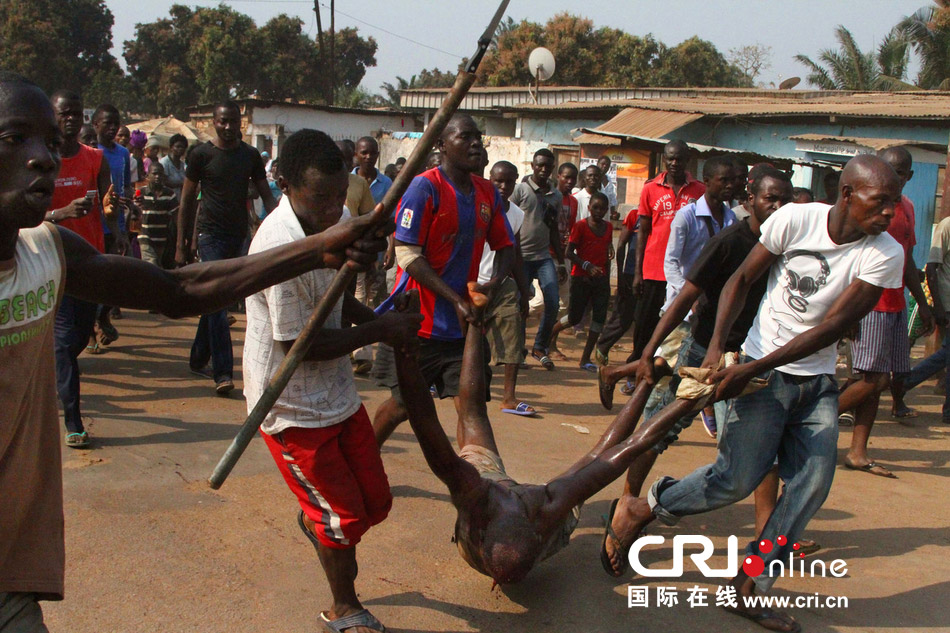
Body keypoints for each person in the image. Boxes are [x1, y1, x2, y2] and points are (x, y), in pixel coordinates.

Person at [0, 71, 388, 630]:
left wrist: (320, 248)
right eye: (17, 139)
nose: (44, 158)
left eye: (49, 141)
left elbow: (181, 291)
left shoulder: (46, 251)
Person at [618, 155, 904, 633]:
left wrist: (753, 366)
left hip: (812, 382)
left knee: (811, 485)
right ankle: (644, 508)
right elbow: (740, 279)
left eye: (894, 203)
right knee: (735, 480)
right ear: (848, 195)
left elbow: (835, 325)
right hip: (761, 375)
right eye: (881, 202)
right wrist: (715, 349)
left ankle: (747, 587)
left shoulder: (885, 252)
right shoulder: (794, 219)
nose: (889, 213)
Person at [243, 129, 419, 633]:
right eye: (319, 198)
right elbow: (302, 346)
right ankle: (344, 609)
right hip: (290, 403)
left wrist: (379, 317)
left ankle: (318, 522)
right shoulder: (277, 244)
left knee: (374, 503)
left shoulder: (338, 217)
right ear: (286, 185)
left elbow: (339, 301)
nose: (331, 209)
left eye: (338, 196)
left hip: (336, 393)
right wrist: (379, 330)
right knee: (342, 520)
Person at [598, 167, 794, 575]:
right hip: (704, 351)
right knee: (656, 431)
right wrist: (649, 350)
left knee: (761, 450)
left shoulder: (786, 243)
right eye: (769, 198)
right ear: (750, 199)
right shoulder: (730, 241)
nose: (777, 207)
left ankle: (766, 538)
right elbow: (686, 295)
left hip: (750, 361)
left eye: (783, 199)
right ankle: (626, 507)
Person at [371, 114, 514, 446]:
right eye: (465, 137)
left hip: (463, 327)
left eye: (478, 137)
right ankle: (365, 459)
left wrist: (493, 285)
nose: (475, 143)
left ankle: (481, 478)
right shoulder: (425, 187)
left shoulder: (487, 193)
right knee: (403, 406)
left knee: (470, 405)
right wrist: (455, 298)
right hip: (418, 323)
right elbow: (407, 254)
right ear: (441, 145)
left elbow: (506, 246)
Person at [837, 147, 934, 478]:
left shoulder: (904, 208)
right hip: (869, 303)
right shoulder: (866, 209)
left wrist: (921, 300)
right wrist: (846, 313)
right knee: (871, 379)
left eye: (901, 174)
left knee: (878, 382)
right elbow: (848, 257)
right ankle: (810, 419)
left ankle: (857, 451)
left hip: (895, 302)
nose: (894, 179)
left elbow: (906, 259)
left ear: (908, 177)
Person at [176, 100, 278, 394]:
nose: (229, 127)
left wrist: (288, 225)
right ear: (214, 123)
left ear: (241, 124)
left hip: (239, 237)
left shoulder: (249, 156)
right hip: (209, 235)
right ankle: (223, 372)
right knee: (219, 304)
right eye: (223, 122)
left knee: (216, 301)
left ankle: (198, 357)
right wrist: (182, 245)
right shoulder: (201, 155)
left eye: (234, 122)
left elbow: (266, 198)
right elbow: (186, 201)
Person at [46, 89, 116, 446]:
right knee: (62, 343)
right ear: (53, 116)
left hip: (88, 261)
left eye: (76, 113)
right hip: (49, 259)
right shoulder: (41, 159)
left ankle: (53, 374)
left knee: (73, 340)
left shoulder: (95, 158)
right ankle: (73, 420)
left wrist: (111, 208)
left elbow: (107, 204)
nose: (71, 119)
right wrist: (60, 214)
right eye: (64, 113)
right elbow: (27, 215)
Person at [629, 140, 705, 366]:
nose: (674, 163)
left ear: (687, 160)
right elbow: (642, 232)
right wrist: (637, 272)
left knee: (677, 325)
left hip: (684, 273)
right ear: (664, 159)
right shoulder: (650, 188)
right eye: (670, 158)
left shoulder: (699, 191)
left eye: (679, 159)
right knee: (644, 324)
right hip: (653, 269)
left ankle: (663, 370)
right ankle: (636, 369)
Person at [480, 161, 534, 415]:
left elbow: (516, 253)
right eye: (498, 181)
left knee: (513, 331)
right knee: (467, 336)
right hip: (471, 281)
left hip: (501, 283)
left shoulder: (516, 214)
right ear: (489, 179)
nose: (503, 187)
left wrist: (525, 290)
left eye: (509, 182)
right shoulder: (476, 207)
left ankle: (509, 397)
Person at [892, 209, 950, 424]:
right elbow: (933, 268)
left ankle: (904, 382)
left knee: (946, 353)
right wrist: (938, 305)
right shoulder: (946, 226)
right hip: (947, 299)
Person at [510, 148, 566, 370]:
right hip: (521, 257)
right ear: (532, 166)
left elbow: (553, 230)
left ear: (552, 168)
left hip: (543, 257)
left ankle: (540, 346)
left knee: (552, 300)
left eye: (547, 166)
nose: (543, 169)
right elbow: (510, 220)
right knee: (521, 305)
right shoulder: (521, 190)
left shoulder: (556, 195)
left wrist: (561, 261)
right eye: (539, 165)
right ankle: (520, 351)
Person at [548, 192, 613, 371]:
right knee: (574, 317)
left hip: (600, 279)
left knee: (598, 320)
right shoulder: (581, 226)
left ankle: (585, 358)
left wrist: (606, 278)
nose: (598, 211)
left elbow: (607, 254)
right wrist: (587, 265)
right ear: (589, 207)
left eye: (602, 208)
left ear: (607, 210)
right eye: (595, 207)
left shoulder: (608, 228)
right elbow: (569, 252)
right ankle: (548, 339)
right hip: (581, 277)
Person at [352, 136, 393, 373]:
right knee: (358, 298)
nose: (368, 157)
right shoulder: (347, 181)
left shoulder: (386, 183)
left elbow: (391, 219)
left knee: (372, 300)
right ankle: (360, 352)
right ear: (357, 154)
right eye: (364, 153)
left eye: (372, 153)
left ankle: (360, 349)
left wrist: (390, 248)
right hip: (353, 250)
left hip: (375, 252)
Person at [93, 103, 132, 342]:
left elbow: (126, 183)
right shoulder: (90, 151)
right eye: (107, 123)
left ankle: (102, 315)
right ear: (96, 124)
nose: (111, 128)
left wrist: (128, 198)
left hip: (115, 222)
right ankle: (90, 330)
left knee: (116, 277)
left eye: (115, 124)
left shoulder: (123, 154)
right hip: (92, 222)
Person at [134, 163, 178, 269]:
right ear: (148, 175)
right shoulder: (141, 192)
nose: (157, 176)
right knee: (151, 264)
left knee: (159, 268)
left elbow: (176, 216)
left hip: (162, 238)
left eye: (160, 174)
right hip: (145, 238)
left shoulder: (169, 194)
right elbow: (135, 213)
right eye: (154, 173)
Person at [160, 133, 188, 200]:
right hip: (167, 199)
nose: (180, 149)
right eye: (178, 147)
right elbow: (163, 182)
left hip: (178, 200)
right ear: (171, 147)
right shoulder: (164, 163)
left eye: (182, 147)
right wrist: (181, 184)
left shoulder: (182, 164)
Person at [597, 154, 619, 220]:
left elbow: (612, 200)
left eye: (607, 165)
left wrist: (613, 213)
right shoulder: (593, 180)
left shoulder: (609, 180)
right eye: (603, 164)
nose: (604, 166)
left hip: (605, 217)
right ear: (597, 164)